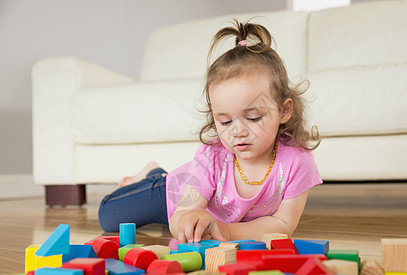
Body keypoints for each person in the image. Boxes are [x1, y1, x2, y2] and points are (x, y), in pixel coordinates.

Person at [98, 20, 322, 243]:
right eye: (224, 122)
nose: (238, 132)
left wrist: (225, 231)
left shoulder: (298, 161)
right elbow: (181, 214)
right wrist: (187, 220)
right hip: (175, 195)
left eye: (253, 118)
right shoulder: (212, 157)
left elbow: (283, 225)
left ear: (284, 110)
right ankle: (155, 175)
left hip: (209, 222)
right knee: (109, 216)